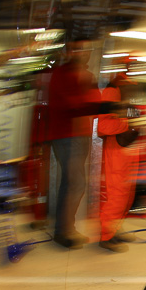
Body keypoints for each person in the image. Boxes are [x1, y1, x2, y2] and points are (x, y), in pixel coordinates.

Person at [46, 37, 103, 249]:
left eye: (86, 49)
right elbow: (73, 105)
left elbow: (94, 104)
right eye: (78, 49)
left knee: (71, 183)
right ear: (70, 52)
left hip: (80, 136)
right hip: (66, 135)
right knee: (76, 183)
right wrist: (87, 97)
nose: (84, 53)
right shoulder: (62, 74)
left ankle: (65, 228)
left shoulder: (86, 75)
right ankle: (63, 231)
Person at [97, 71, 141, 253]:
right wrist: (127, 124)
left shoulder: (127, 88)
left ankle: (115, 228)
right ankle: (106, 237)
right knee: (117, 195)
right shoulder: (112, 90)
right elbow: (103, 126)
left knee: (127, 195)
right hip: (117, 152)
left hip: (128, 151)